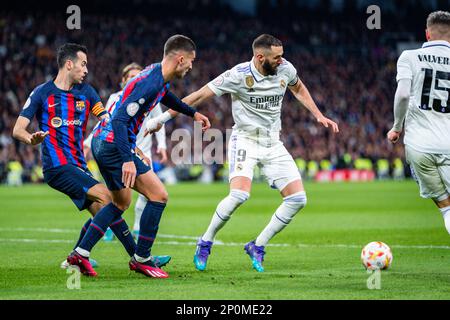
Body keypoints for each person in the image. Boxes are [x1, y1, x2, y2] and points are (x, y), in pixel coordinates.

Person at [148, 34, 339, 272]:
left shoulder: (286, 69)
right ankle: (205, 241)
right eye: (277, 57)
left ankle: (257, 246)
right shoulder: (238, 75)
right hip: (245, 140)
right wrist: (162, 119)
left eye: (282, 56)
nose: (282, 61)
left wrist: (318, 114)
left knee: (298, 199)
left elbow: (298, 88)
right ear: (260, 57)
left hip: (272, 143)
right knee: (239, 195)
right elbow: (198, 96)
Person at [66, 35, 210, 279]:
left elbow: (167, 98)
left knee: (120, 204)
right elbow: (121, 119)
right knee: (159, 195)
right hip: (114, 145)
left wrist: (193, 113)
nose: (191, 67)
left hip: (103, 143)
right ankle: (142, 258)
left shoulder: (156, 74)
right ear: (181, 59)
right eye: (191, 62)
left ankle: (80, 252)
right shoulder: (149, 83)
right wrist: (128, 159)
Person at [11, 43, 138, 270]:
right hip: (57, 166)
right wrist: (31, 139)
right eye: (83, 64)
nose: (86, 69)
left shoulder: (87, 93)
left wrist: (126, 143)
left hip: (79, 166)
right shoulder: (42, 93)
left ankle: (77, 260)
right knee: (111, 199)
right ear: (69, 64)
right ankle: (139, 258)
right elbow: (17, 129)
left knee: (103, 212)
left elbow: (106, 120)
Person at [83, 63, 168, 242]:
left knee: (149, 194)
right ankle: (104, 230)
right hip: (119, 149)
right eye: (130, 77)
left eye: (138, 76)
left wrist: (162, 145)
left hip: (142, 150)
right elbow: (106, 122)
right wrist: (89, 142)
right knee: (120, 200)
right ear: (123, 81)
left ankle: (136, 228)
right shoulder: (116, 97)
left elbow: (160, 121)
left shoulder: (150, 93)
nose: (135, 79)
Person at [387, 11, 450, 238]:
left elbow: (403, 95)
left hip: (420, 145)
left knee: (446, 208)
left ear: (427, 33)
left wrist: (396, 126)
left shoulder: (409, 57)